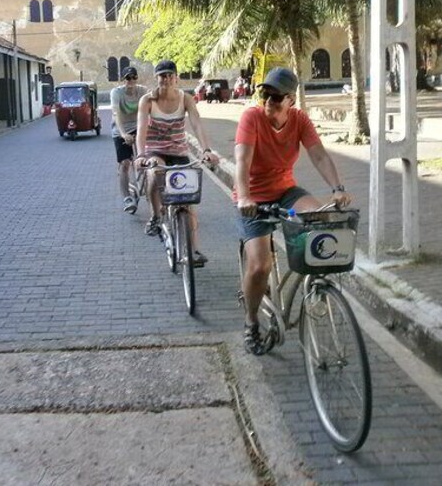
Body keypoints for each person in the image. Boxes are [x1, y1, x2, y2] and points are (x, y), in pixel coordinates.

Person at [234, 67, 352, 355]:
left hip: (285, 191)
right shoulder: (252, 117)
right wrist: (245, 197)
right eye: (266, 95)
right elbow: (242, 160)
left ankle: (316, 282)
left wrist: (337, 188)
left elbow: (319, 155)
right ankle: (251, 322)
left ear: (291, 100)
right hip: (254, 199)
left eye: (276, 97)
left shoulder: (299, 120)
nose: (269, 101)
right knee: (260, 265)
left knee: (320, 219)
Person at [134, 60, 220, 265]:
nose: (166, 79)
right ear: (156, 78)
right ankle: (156, 215)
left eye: (170, 75)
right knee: (155, 173)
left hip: (179, 151)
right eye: (162, 76)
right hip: (155, 150)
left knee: (188, 200)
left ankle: (194, 250)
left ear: (176, 78)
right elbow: (141, 130)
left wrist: (206, 150)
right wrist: (140, 155)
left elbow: (197, 124)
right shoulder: (147, 101)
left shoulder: (186, 99)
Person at [110, 66, 148, 213]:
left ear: (137, 78)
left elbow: (148, 110)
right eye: (127, 78)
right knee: (125, 163)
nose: (130, 81)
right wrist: (123, 133)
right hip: (121, 129)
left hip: (138, 127)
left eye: (133, 77)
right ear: (123, 79)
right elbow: (115, 113)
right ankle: (127, 197)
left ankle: (147, 185)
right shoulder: (117, 92)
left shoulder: (142, 91)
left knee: (146, 158)